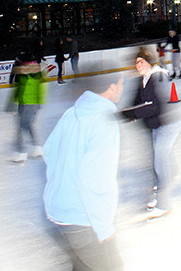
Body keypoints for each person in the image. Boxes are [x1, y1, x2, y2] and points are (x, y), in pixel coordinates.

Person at [43, 72, 125, 271]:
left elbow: (48, 152)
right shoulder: (104, 121)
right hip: (83, 218)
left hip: (58, 212)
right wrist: (104, 229)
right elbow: (97, 180)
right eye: (121, 84)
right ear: (112, 87)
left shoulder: (72, 112)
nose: (122, 89)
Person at [123, 47, 180, 218]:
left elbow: (156, 105)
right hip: (157, 124)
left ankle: (164, 205)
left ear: (148, 61)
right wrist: (129, 113)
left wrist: (134, 113)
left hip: (168, 124)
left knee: (159, 162)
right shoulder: (145, 79)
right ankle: (171, 177)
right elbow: (139, 102)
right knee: (162, 159)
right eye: (136, 63)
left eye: (141, 62)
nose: (138, 66)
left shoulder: (158, 76)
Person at [10, 52, 47, 162]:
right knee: (27, 125)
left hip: (28, 103)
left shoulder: (27, 73)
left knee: (22, 127)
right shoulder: (36, 71)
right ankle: (37, 147)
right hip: (30, 102)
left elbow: (22, 89)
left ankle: (22, 153)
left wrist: (16, 103)